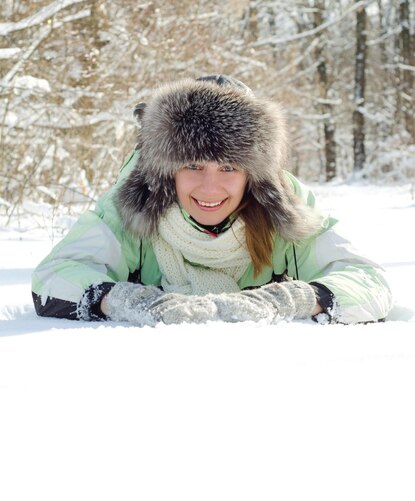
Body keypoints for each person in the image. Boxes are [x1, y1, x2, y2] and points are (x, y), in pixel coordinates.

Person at [32, 75, 393, 326]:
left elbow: (367, 282)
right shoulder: (133, 204)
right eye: (192, 165)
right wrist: (128, 300)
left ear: (254, 174)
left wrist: (292, 299)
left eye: (229, 167)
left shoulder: (283, 207)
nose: (209, 188)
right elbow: (55, 276)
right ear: (166, 169)